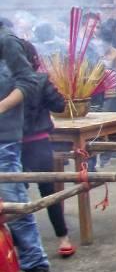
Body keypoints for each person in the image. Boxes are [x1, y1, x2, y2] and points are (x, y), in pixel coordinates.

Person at [0, 19, 52, 272]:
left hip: (4, 137)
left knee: (13, 202)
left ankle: (36, 266)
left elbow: (28, 81)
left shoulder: (6, 41)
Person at [19, 40, 75, 257]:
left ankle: (22, 244)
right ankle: (63, 239)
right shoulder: (40, 80)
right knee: (48, 192)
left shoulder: (8, 83)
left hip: (14, 143)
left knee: (16, 194)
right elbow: (59, 105)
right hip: (40, 143)